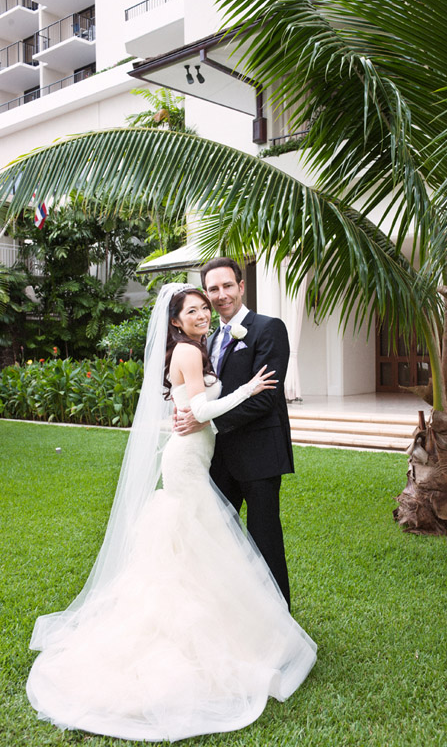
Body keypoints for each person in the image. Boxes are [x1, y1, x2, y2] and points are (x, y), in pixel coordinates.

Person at [26, 283, 316, 743]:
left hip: (197, 456)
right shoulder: (189, 351)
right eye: (194, 309)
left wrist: (220, 401)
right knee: (193, 540)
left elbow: (190, 405)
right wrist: (249, 389)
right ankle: (187, 634)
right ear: (175, 321)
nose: (203, 312)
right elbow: (200, 407)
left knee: (197, 545)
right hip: (187, 462)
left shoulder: (195, 347)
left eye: (206, 306)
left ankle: (221, 624)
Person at [175, 257, 293, 608]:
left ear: (242, 286)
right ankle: (231, 616)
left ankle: (278, 621)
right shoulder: (206, 341)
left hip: (259, 457)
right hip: (218, 459)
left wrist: (207, 421)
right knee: (217, 542)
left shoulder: (269, 329)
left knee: (264, 542)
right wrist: (186, 413)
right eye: (213, 289)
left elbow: (266, 400)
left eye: (228, 286)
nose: (221, 294)